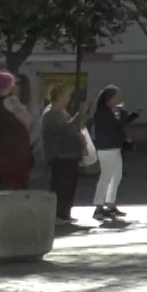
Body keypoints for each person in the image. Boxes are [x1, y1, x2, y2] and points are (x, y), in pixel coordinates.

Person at [41, 84, 91, 225]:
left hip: (69, 154)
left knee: (69, 185)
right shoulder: (51, 113)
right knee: (61, 185)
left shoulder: (62, 112)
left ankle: (65, 213)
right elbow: (64, 130)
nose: (69, 99)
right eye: (67, 95)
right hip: (60, 154)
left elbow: (71, 128)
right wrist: (80, 114)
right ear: (59, 96)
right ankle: (58, 214)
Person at [89, 86, 136, 221]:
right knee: (106, 176)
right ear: (109, 99)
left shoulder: (110, 111)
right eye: (116, 97)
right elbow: (115, 127)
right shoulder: (102, 112)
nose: (119, 99)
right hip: (106, 148)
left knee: (116, 176)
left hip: (114, 148)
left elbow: (119, 125)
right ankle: (99, 206)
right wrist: (124, 133)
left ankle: (110, 204)